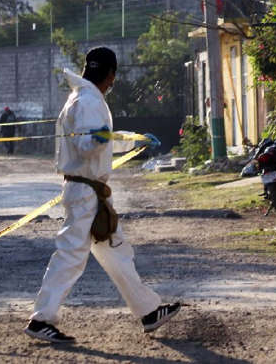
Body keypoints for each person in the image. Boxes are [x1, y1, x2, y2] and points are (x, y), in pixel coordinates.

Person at [24, 47, 180, 344]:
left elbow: (99, 143)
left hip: (90, 191)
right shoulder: (88, 101)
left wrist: (134, 142)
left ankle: (148, 311)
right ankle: (41, 319)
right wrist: (103, 139)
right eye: (112, 77)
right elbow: (88, 146)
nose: (112, 83)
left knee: (117, 252)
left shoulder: (83, 99)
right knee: (71, 256)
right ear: (110, 74)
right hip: (85, 192)